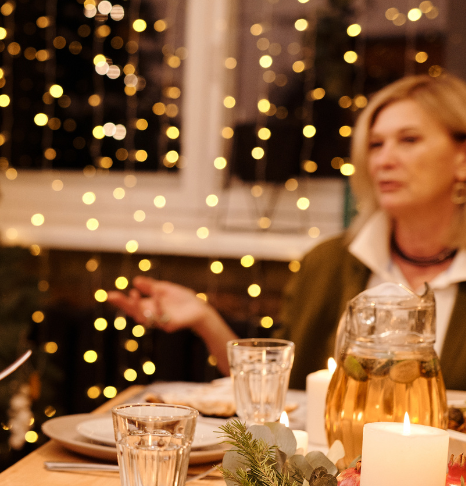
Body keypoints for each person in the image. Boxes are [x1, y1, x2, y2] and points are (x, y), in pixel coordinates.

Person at [109, 73, 466, 390]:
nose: (384, 160)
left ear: (462, 157)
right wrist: (205, 319)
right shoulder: (329, 263)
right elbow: (278, 391)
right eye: (375, 144)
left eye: (409, 140)